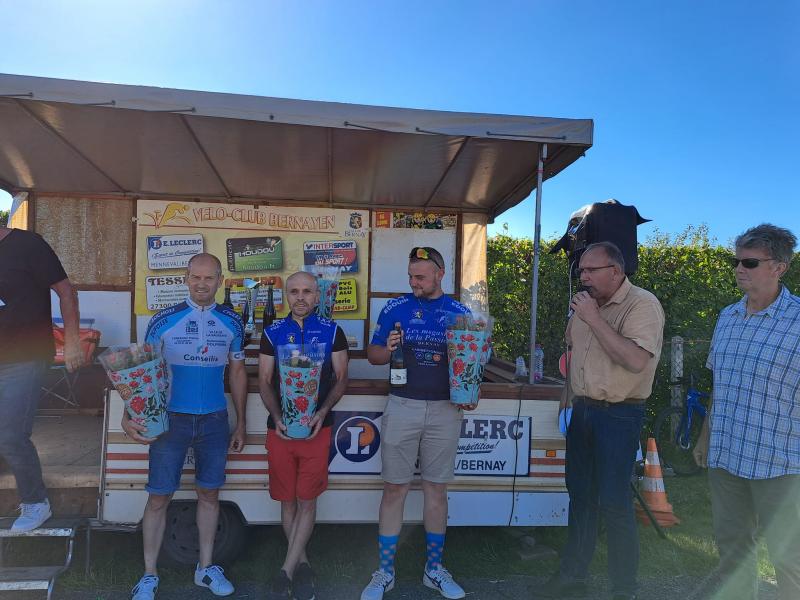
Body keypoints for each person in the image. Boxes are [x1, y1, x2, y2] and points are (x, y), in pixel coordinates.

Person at [539, 241, 664, 600]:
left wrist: (594, 318)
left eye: (591, 270)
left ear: (616, 271)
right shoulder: (583, 305)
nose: (584, 277)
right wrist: (567, 401)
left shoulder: (642, 304)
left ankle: (624, 587)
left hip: (619, 414)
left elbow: (636, 361)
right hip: (583, 411)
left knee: (614, 501)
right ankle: (572, 576)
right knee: (580, 496)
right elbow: (573, 352)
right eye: (581, 270)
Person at [123, 253, 248, 600]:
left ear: (220, 281)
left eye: (209, 278)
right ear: (186, 278)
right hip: (170, 420)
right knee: (159, 496)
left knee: (209, 494)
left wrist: (241, 422)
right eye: (196, 277)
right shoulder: (163, 320)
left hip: (214, 419)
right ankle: (149, 575)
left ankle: (205, 568)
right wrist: (127, 415)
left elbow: (238, 372)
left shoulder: (232, 322)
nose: (202, 284)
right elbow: (141, 372)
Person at [694, 224, 800, 600]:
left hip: (781, 464)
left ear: (779, 267)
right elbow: (719, 385)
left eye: (750, 262)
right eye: (736, 261)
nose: (739, 268)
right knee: (733, 552)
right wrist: (704, 438)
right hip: (727, 457)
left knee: (790, 559)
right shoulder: (727, 317)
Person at [361, 246, 473, 600]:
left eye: (420, 277)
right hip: (403, 405)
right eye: (411, 277)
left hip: (445, 409)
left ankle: (434, 569)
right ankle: (385, 572)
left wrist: (472, 390)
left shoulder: (460, 313)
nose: (414, 283)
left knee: (436, 489)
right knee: (394, 488)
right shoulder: (395, 308)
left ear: (440, 274)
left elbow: (471, 362)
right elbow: (373, 355)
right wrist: (387, 347)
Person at [258, 271, 349, 600]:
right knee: (287, 499)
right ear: (286, 295)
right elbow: (264, 380)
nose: (300, 297)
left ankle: (285, 570)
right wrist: (277, 417)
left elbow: (342, 378)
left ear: (317, 295)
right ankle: (303, 564)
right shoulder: (272, 333)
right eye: (294, 291)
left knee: (307, 500)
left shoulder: (333, 331)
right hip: (280, 431)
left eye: (307, 291)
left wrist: (322, 412)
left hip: (317, 429)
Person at [0, 225, 84, 532]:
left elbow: (66, 292)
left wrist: (72, 341)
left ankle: (36, 503)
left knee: (11, 434)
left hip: (24, 357)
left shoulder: (28, 244)